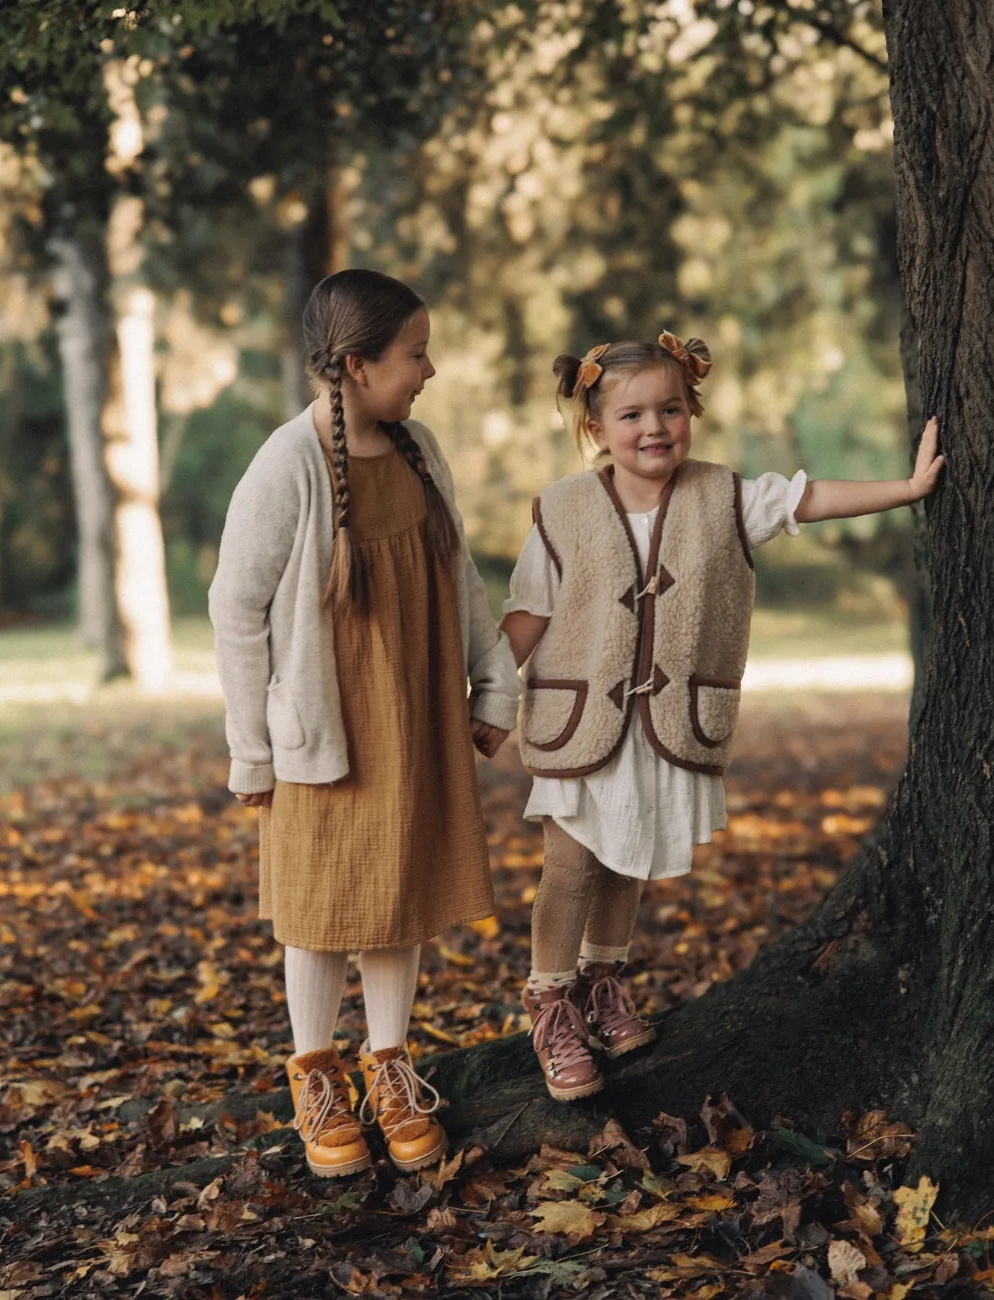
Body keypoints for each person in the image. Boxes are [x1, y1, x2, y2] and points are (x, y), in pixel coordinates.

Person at [500, 331, 943, 1101]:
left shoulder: (722, 495)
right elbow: (529, 612)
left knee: (625, 855)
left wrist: (905, 489)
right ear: (596, 429)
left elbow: (808, 498)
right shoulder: (563, 508)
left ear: (692, 412)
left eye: (671, 409)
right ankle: (550, 1002)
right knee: (572, 864)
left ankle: (604, 984)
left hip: (663, 722)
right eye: (632, 414)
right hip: (577, 720)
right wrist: (484, 696)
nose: (655, 427)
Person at [209, 269, 519, 1176]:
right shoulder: (287, 462)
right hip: (322, 730)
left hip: (414, 713)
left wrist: (490, 687)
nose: (429, 369)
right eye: (415, 354)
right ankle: (314, 1073)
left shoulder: (419, 448)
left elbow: (460, 579)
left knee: (398, 896)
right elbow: (235, 607)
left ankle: (390, 1066)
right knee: (317, 907)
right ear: (356, 365)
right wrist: (252, 749)